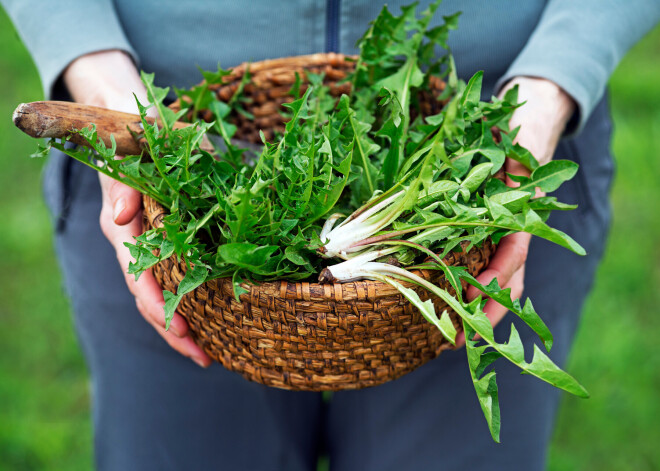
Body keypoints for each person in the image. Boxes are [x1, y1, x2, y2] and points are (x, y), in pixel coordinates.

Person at [3, 1, 659, 469]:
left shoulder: (499, 137)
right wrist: (91, 63)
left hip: (495, 148)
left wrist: (554, 81)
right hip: (164, 146)